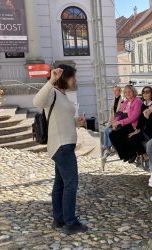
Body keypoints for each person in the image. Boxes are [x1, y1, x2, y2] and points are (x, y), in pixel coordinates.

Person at [33, 65, 88, 235]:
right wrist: (51, 80)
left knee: (60, 185)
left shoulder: (63, 95)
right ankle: (71, 223)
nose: (75, 80)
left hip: (64, 145)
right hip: (62, 146)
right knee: (71, 184)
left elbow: (61, 119)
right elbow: (37, 102)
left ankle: (59, 219)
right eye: (73, 77)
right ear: (65, 78)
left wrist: (76, 121)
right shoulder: (52, 92)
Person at [128, 86, 152, 166]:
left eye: (147, 92)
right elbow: (141, 120)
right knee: (131, 136)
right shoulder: (143, 105)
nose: (145, 94)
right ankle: (144, 156)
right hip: (144, 131)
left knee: (135, 138)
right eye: (143, 92)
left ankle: (142, 156)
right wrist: (136, 130)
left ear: (151, 93)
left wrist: (148, 117)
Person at [109, 85, 142, 162]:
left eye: (129, 91)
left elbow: (134, 117)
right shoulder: (126, 102)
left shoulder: (137, 101)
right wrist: (115, 121)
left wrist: (119, 122)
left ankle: (132, 154)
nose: (127, 93)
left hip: (133, 125)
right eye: (126, 92)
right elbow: (119, 113)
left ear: (133, 92)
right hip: (125, 123)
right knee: (112, 134)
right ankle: (125, 155)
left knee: (119, 134)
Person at [103, 86, 123, 157]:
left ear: (120, 91)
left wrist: (115, 123)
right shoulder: (114, 100)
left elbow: (121, 114)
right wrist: (109, 123)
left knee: (109, 131)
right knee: (105, 130)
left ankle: (111, 148)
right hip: (113, 121)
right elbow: (112, 114)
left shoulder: (122, 101)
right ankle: (107, 148)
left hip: (119, 122)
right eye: (113, 91)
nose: (114, 92)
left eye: (116, 91)